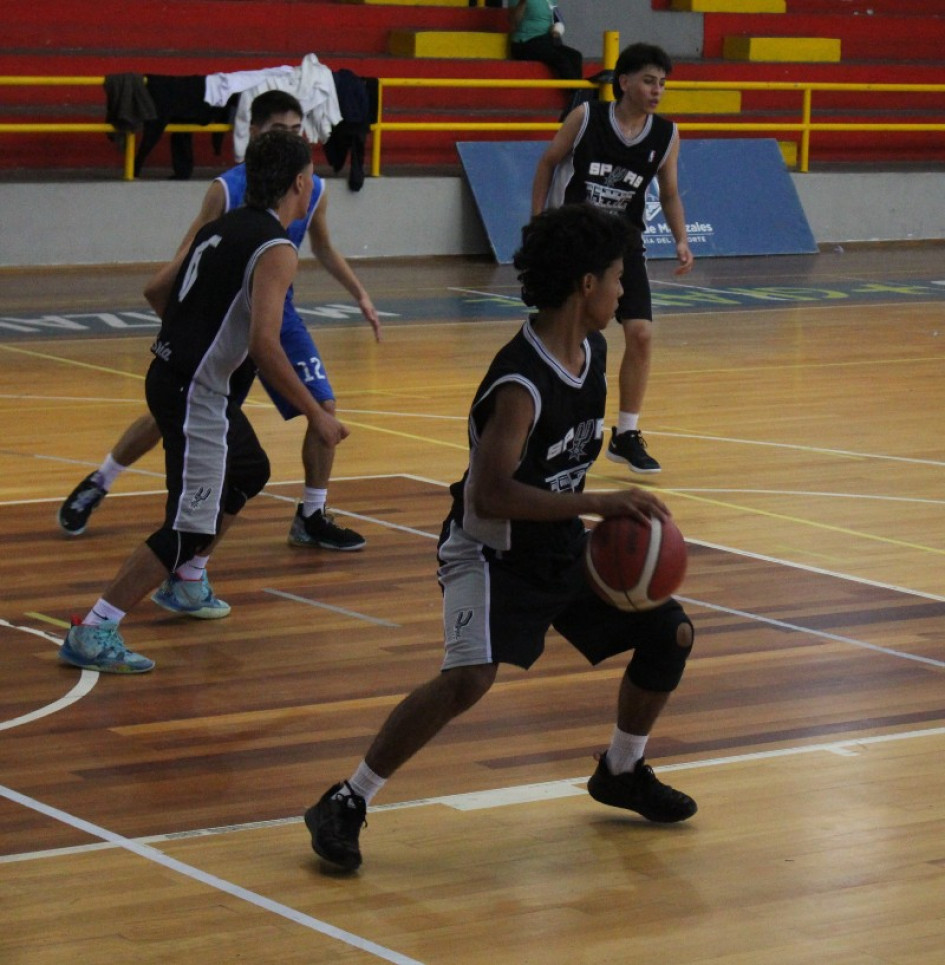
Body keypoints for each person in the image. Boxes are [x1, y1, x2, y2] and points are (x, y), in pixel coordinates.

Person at [303, 204, 697, 873]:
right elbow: (491, 494)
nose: (623, 290)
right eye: (615, 278)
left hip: (557, 541)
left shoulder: (592, 349)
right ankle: (345, 799)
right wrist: (603, 500)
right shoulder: (520, 381)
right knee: (467, 678)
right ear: (583, 286)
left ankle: (620, 771)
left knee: (670, 631)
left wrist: (587, 514)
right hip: (489, 551)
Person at [58, 90, 379, 592]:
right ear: (254, 135)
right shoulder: (227, 194)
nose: (291, 139)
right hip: (231, 317)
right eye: (280, 131)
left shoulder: (311, 190)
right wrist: (190, 328)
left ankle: (308, 516)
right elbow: (177, 271)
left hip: (275, 307)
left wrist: (360, 293)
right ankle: (102, 483)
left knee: (300, 419)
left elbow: (324, 247)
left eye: (297, 130)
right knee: (183, 417)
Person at [532, 42, 694, 475]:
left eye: (662, 83)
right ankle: (554, 424)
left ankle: (625, 434)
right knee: (572, 337)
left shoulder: (666, 134)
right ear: (623, 82)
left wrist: (681, 239)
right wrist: (538, 224)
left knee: (640, 335)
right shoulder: (586, 118)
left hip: (624, 245)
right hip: (576, 240)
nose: (657, 90)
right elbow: (548, 163)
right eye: (648, 80)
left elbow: (671, 192)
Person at [509, 0, 583, 84]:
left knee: (576, 56)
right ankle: (576, 90)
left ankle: (577, 92)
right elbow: (513, 23)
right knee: (561, 59)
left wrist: (556, 30)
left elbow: (557, 19)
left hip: (545, 40)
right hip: (525, 42)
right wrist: (522, 3)